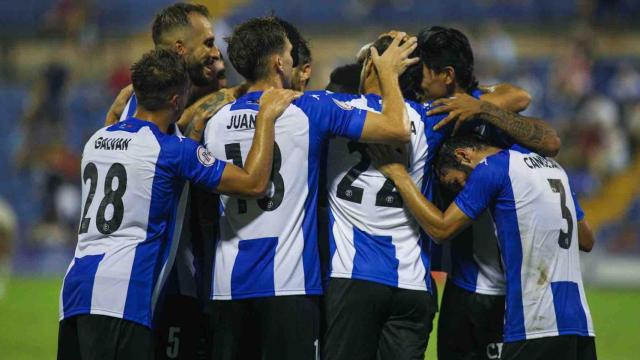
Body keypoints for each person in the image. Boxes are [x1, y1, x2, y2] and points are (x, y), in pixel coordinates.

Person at [57, 49, 301, 360]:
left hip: (75, 291)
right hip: (123, 296)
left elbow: (120, 139)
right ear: (176, 100)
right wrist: (265, 117)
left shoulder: (96, 141)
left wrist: (115, 110)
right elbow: (252, 183)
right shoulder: (173, 152)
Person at [203, 17, 418, 360]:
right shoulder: (310, 109)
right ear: (278, 62)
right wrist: (389, 73)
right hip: (290, 285)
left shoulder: (214, 123)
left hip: (227, 287)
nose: (292, 60)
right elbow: (396, 128)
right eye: (289, 53)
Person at [368, 133, 596, 360]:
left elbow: (441, 229)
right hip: (579, 322)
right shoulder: (553, 168)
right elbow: (586, 239)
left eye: (457, 182)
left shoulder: (492, 168)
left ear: (464, 156)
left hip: (535, 321)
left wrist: (400, 176)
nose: (464, 190)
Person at [416, 26, 561, 360]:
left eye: (424, 72)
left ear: (447, 74)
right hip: (460, 283)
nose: (420, 81)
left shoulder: (488, 118)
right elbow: (517, 95)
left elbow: (536, 120)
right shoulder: (423, 115)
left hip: (501, 290)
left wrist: (483, 107)